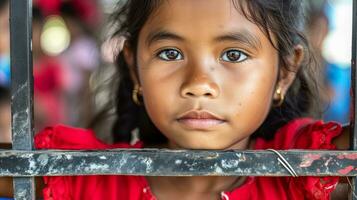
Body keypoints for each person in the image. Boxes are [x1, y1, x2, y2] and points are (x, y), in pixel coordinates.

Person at [0, 0, 351, 199]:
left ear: (285, 72)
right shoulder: (83, 179)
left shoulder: (304, 173)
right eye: (170, 53)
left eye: (233, 55)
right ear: (134, 68)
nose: (199, 84)